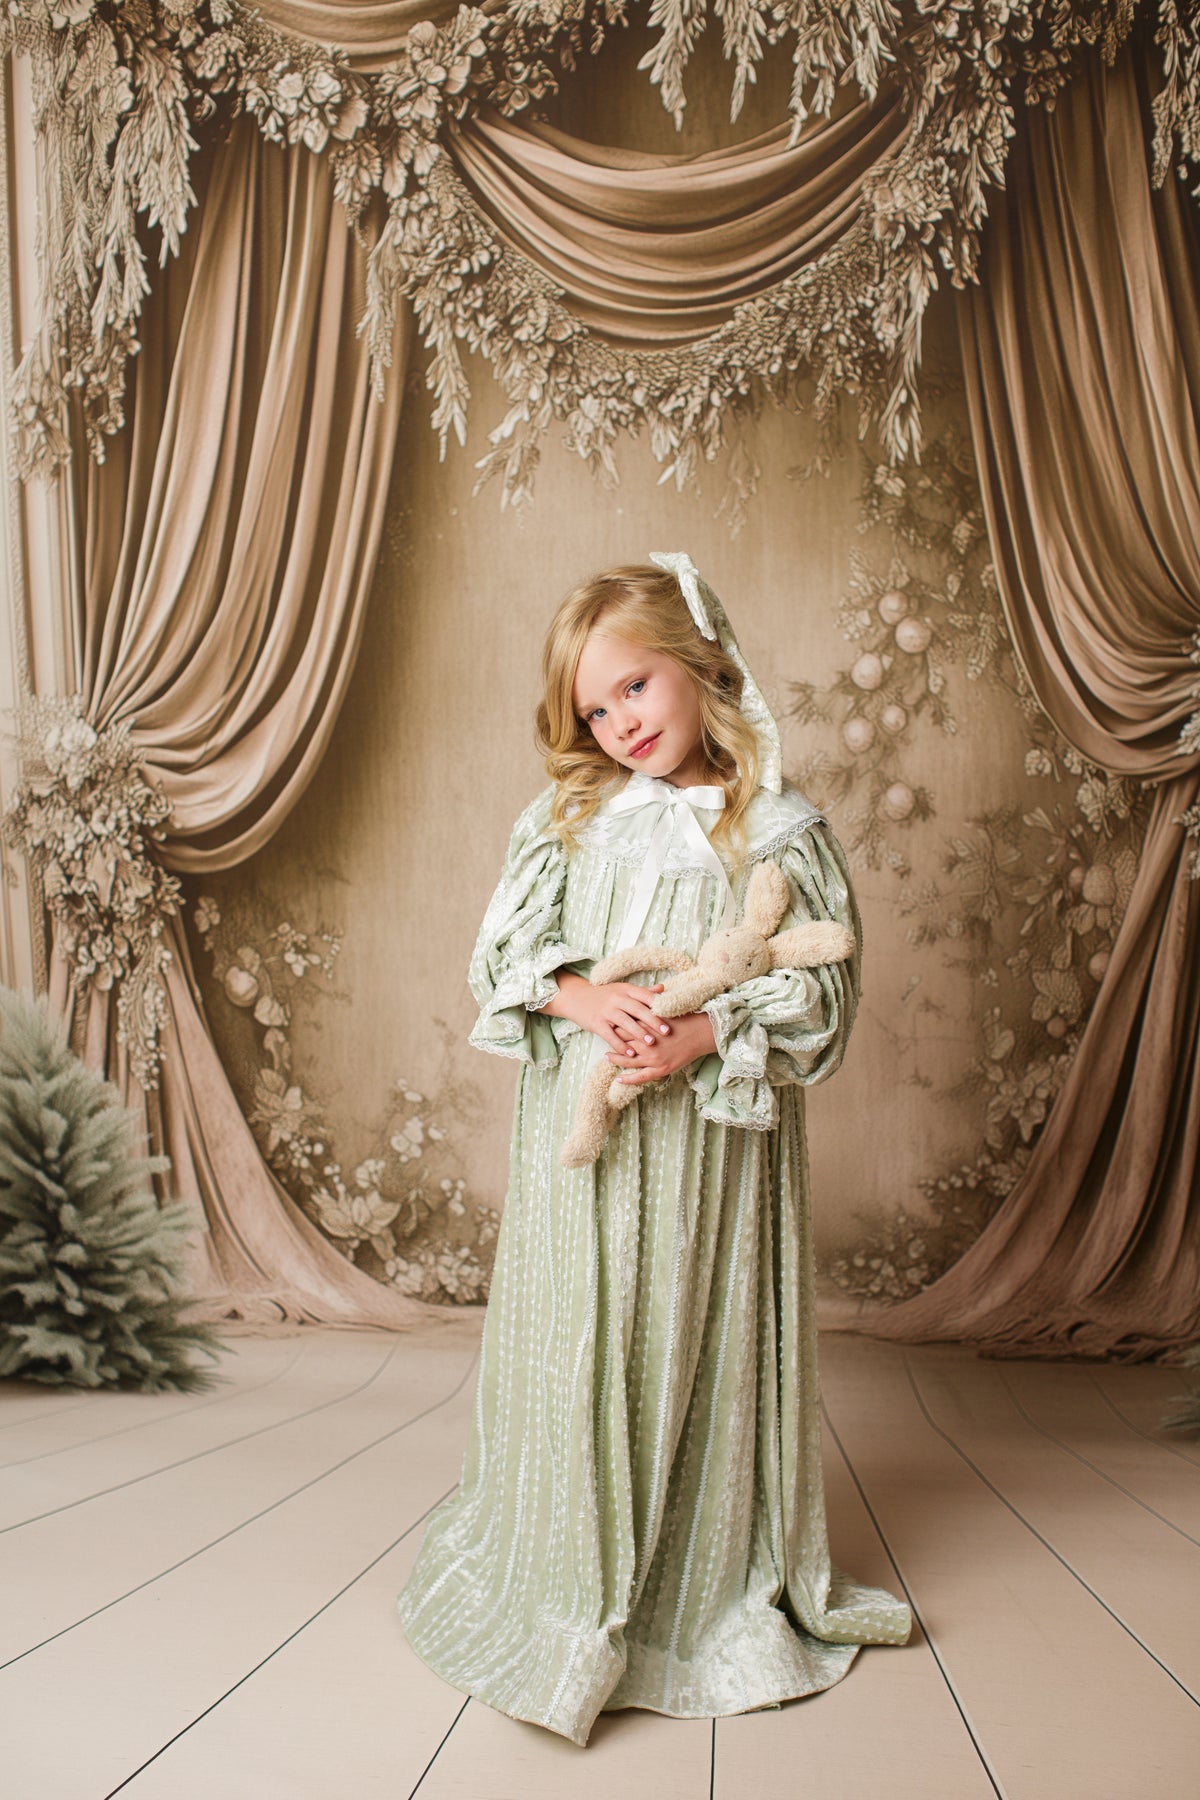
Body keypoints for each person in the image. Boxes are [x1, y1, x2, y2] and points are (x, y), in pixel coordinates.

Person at [396, 552, 911, 1746]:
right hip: (579, 1148)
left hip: (706, 1163)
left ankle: (692, 1576)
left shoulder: (775, 828)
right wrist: (585, 1005)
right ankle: (562, 1569)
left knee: (683, 1331)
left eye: (635, 688)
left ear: (702, 665)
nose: (619, 723)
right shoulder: (566, 822)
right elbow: (508, 961)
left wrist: (699, 1031)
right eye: (593, 707)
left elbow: (820, 995)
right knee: (583, 1331)